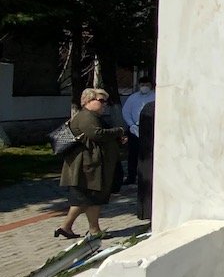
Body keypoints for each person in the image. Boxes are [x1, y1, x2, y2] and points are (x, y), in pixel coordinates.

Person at [54, 88, 127, 239]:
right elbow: (97, 134)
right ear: (88, 101)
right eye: (101, 101)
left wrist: (117, 139)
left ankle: (72, 228)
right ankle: (88, 229)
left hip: (92, 166)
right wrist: (118, 131)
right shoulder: (86, 117)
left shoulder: (93, 116)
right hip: (86, 167)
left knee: (89, 199)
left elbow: (101, 136)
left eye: (105, 101)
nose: (104, 104)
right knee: (88, 199)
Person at [121, 77, 154, 186]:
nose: (144, 87)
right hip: (135, 128)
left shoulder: (155, 96)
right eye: (142, 84)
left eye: (146, 84)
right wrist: (131, 125)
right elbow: (126, 112)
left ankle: (147, 176)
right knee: (133, 154)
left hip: (150, 129)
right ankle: (131, 176)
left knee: (148, 154)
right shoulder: (133, 98)